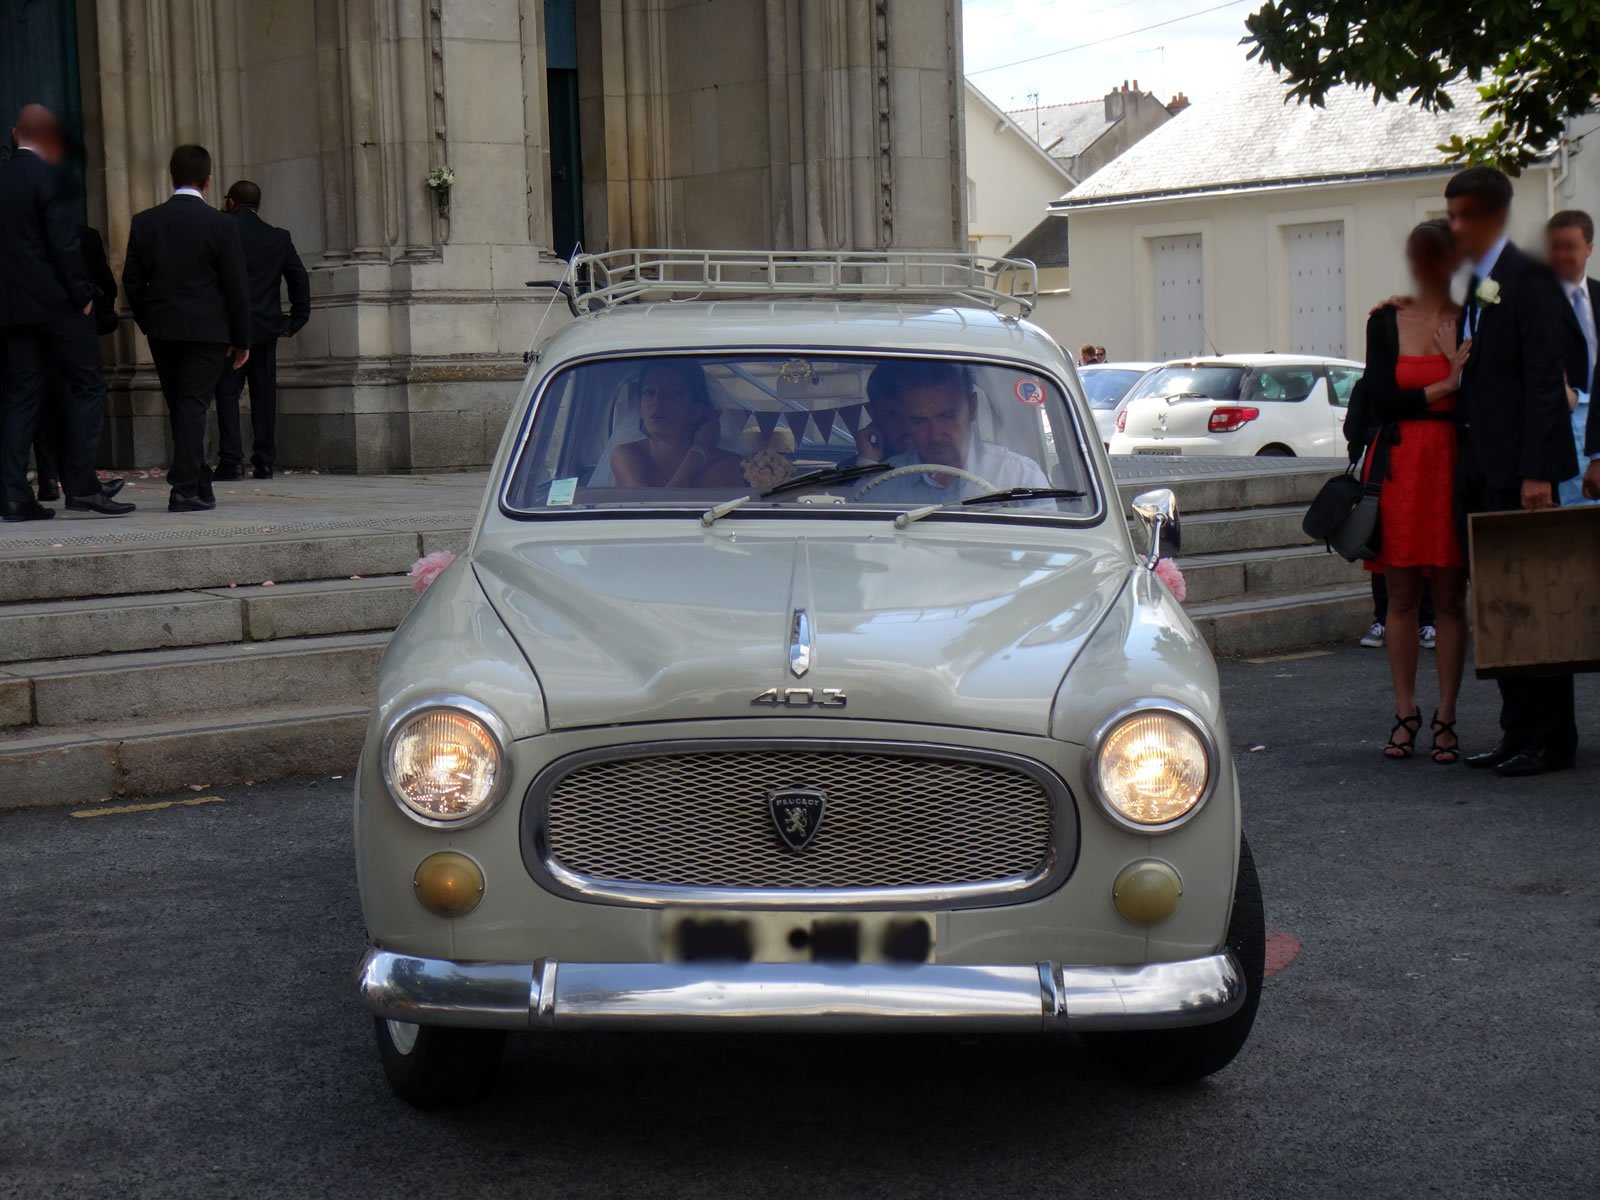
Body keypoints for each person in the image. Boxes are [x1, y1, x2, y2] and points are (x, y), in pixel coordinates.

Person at [1447, 167, 1578, 777]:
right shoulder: (1480, 282)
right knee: (1499, 602)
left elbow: (1545, 382)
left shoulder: (1529, 278)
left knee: (1536, 601)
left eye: (1463, 216)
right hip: (1480, 467)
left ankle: (1553, 737)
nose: (1455, 227)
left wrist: (1536, 473)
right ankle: (1516, 729)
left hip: (1521, 473)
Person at [1361, 219, 1472, 763]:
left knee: (1450, 598)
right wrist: (1446, 383)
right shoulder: (1385, 320)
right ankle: (1405, 712)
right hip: (1402, 464)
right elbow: (1380, 400)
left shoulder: (1477, 314)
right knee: (1401, 596)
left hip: (1454, 465)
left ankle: (1447, 716)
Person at [0, 105, 133, 520]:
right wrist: (83, 295)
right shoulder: (50, 178)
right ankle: (82, 486)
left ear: (15, 133)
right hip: (58, 305)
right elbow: (63, 243)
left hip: (13, 309)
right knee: (88, 386)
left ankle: (13, 494)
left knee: (22, 396)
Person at [123, 144, 250, 513]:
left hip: (163, 330)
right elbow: (235, 286)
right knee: (193, 405)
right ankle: (184, 489)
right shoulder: (221, 224)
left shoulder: (145, 222)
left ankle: (199, 482)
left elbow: (132, 282)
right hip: (207, 331)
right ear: (208, 181)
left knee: (181, 405)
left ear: (171, 177)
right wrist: (241, 338)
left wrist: (149, 321)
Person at [212, 180, 309, 481]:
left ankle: (232, 460)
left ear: (231, 202)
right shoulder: (277, 237)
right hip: (266, 329)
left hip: (229, 330)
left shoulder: (220, 230)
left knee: (227, 392)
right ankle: (264, 461)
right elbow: (299, 278)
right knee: (263, 395)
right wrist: (296, 319)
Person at [862, 360, 1049, 504]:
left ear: (972, 408)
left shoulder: (1021, 478)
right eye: (919, 421)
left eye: (946, 416)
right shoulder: (884, 485)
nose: (935, 435)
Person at [34, 223, 121, 502]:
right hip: (73, 327)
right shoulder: (83, 235)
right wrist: (89, 300)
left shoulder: (27, 234)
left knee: (41, 400)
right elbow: (106, 283)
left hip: (33, 326)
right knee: (80, 398)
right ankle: (79, 480)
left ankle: (49, 479)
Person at [609, 360, 743, 488]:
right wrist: (699, 450)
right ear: (641, 410)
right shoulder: (626, 455)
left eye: (674, 393)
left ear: (696, 411)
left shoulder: (726, 464)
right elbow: (647, 504)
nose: (657, 401)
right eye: (649, 392)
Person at [1544, 210, 1599, 508]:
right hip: (1559, 429)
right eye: (1555, 247)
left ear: (1589, 248)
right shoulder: (1534, 301)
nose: (1562, 256)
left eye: (1570, 247)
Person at [851, 362, 912, 464]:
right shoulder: (853, 468)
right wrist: (867, 462)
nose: (906, 427)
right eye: (892, 414)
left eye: (914, 415)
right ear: (873, 413)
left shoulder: (941, 464)